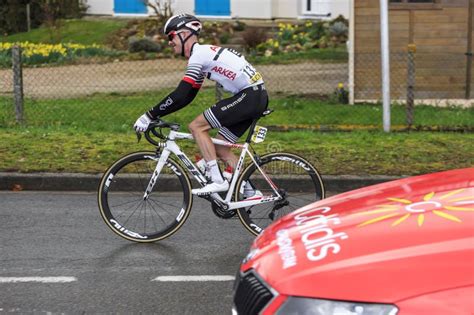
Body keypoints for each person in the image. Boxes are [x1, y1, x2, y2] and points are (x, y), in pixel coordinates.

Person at [134, 14, 268, 196]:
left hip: (249, 96)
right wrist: (157, 115)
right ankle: (251, 193)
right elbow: (186, 97)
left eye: (171, 36)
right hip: (254, 96)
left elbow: (181, 93)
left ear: (183, 34)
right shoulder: (204, 55)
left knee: (197, 127)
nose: (169, 42)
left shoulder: (199, 55)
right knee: (220, 147)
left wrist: (149, 115)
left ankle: (217, 180)